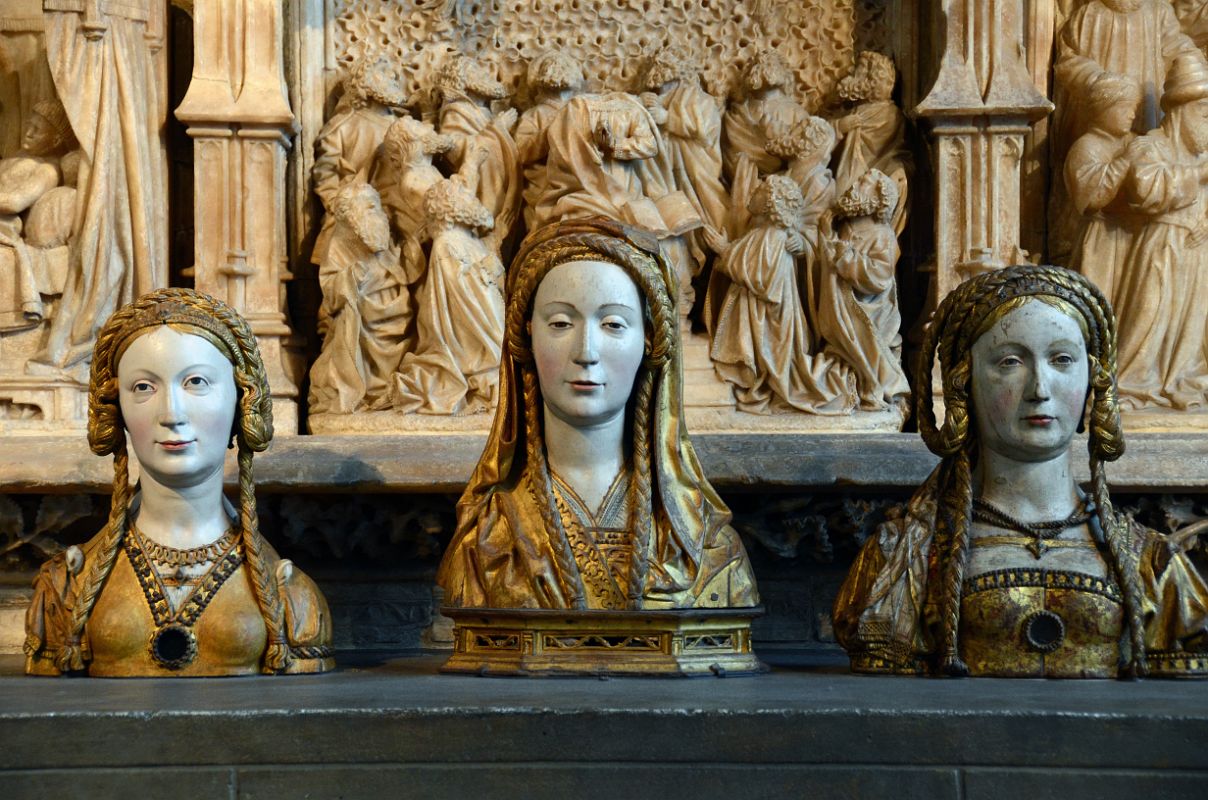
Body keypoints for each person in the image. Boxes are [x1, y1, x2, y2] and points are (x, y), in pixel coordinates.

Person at [833, 265, 1208, 678]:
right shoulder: (900, 560)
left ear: (1093, 379)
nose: (1040, 389)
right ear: (964, 383)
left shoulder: (1154, 564)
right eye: (1010, 361)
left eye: (1062, 359)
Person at [437, 218, 759, 611]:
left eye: (613, 324)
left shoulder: (704, 544)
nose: (586, 351)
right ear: (525, 336)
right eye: (560, 323)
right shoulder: (486, 537)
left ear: (649, 340)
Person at [24, 289, 334, 677]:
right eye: (143, 388)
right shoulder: (64, 593)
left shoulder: (290, 597)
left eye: (196, 382)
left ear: (242, 401)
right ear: (113, 407)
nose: (171, 413)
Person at [709, 175, 856, 415]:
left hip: (770, 320)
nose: (752, 194)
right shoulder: (764, 233)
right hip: (767, 316)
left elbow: (760, 279)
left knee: (782, 367)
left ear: (769, 202)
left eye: (757, 191)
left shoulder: (772, 237)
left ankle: (825, 385)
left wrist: (724, 250)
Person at [1115, 52, 1208, 410]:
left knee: (1191, 328)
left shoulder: (1201, 154)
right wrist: (1198, 175)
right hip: (1161, 247)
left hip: (1198, 250)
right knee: (1148, 319)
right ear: (1181, 112)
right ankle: (1132, 386)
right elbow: (1147, 189)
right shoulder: (1150, 145)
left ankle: (1185, 383)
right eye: (1203, 114)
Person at [1064, 72, 1143, 304]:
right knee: (1100, 299)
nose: (1132, 115)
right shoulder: (1086, 147)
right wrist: (1124, 161)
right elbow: (1092, 198)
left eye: (1135, 108)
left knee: (1130, 302)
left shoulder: (1133, 140)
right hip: (1102, 240)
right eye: (1125, 107)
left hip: (1133, 234)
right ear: (1104, 108)